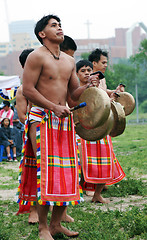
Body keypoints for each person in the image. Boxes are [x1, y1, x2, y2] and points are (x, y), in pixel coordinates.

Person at [18, 14, 98, 240]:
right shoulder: (36, 56)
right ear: (42, 34)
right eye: (53, 25)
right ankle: (43, 227)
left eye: (60, 25)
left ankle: (56, 224)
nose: (59, 28)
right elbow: (28, 89)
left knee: (70, 172)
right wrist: (53, 106)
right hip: (41, 118)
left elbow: (72, 98)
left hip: (64, 119)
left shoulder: (69, 61)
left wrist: (87, 85)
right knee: (48, 172)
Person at [78, 48, 125, 203]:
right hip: (92, 126)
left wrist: (115, 93)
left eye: (106, 62)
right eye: (103, 62)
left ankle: (98, 192)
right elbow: (93, 102)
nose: (106, 64)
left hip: (104, 124)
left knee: (104, 159)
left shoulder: (101, 79)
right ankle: (88, 190)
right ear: (94, 63)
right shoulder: (88, 80)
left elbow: (103, 94)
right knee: (89, 161)